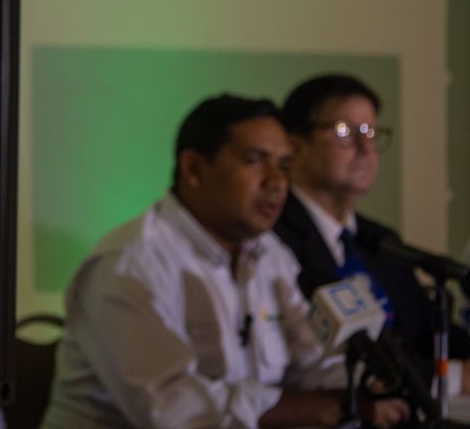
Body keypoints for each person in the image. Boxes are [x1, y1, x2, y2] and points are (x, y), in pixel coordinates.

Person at [41, 94, 408, 429]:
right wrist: (320, 409)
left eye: (284, 166)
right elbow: (171, 409)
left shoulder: (270, 253)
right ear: (194, 169)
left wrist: (371, 389)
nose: (276, 182)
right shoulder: (128, 265)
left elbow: (310, 359)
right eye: (254, 161)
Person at [275, 73, 470, 399]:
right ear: (296, 145)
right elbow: (321, 365)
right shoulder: (274, 238)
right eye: (344, 132)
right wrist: (457, 378)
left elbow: (432, 332)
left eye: (371, 132)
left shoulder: (380, 241)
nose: (365, 148)